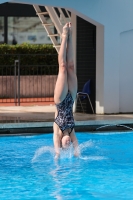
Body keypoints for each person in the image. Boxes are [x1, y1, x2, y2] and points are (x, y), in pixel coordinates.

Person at [53, 22, 79, 159]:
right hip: (71, 97)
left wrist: (58, 154)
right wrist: (76, 152)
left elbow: (56, 149)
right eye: (69, 144)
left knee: (63, 67)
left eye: (66, 144)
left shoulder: (58, 132)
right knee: (71, 66)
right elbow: (77, 147)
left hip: (61, 100)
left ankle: (64, 36)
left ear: (61, 142)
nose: (68, 142)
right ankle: (71, 36)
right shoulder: (71, 131)